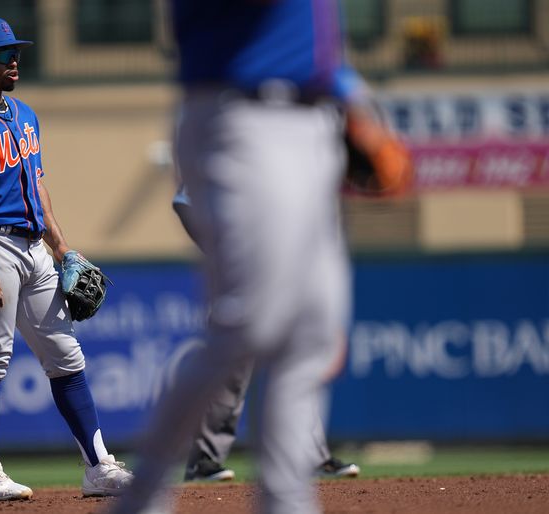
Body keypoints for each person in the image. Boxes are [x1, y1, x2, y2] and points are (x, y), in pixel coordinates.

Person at [111, 1, 373, 512]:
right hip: (245, 116)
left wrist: (351, 94)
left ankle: (287, 501)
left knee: (313, 330)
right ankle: (141, 497)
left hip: (313, 117)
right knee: (250, 324)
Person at [0, 17, 132, 502]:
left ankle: (98, 466)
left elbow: (38, 189)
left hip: (34, 246)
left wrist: (62, 249)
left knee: (67, 356)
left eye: (16, 51)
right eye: (3, 54)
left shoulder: (24, 115)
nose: (14, 60)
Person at [173, 186, 360, 483]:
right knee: (229, 375)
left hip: (289, 278)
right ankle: (203, 461)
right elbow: (184, 200)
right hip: (241, 282)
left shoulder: (299, 157)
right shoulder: (233, 151)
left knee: (296, 370)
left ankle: (310, 456)